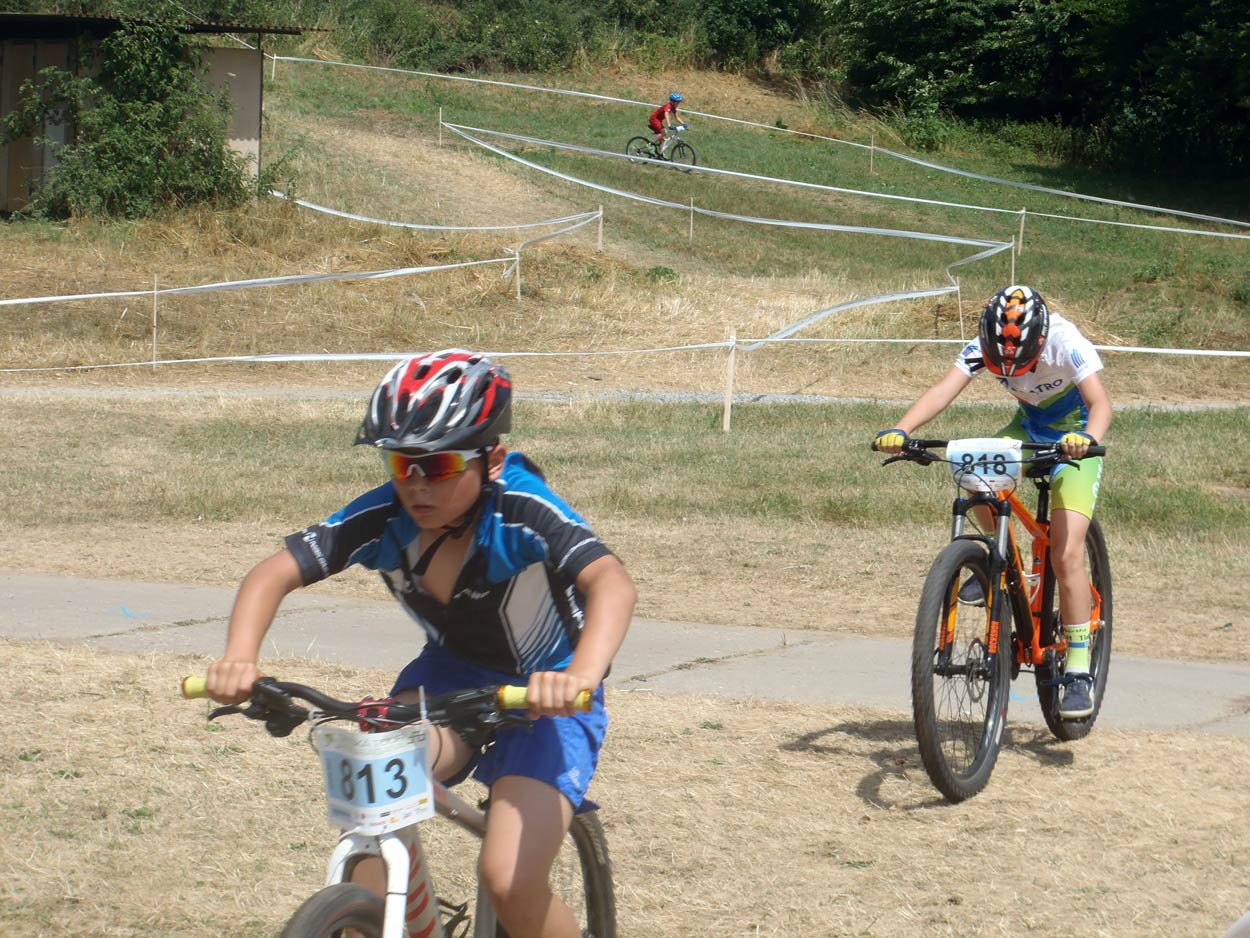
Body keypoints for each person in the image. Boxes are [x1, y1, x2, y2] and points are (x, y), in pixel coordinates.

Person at [206, 349, 637, 938]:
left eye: (438, 465)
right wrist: (239, 658)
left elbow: (611, 582)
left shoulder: (520, 509)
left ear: (492, 460)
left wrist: (580, 676)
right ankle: (374, 917)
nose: (416, 484)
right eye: (401, 464)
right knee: (377, 779)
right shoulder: (387, 517)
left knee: (508, 881)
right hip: (451, 674)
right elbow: (271, 574)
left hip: (550, 690)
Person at [874, 285, 1112, 719]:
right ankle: (1001, 563)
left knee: (1066, 554)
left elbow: (1100, 405)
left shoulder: (1066, 341)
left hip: (1075, 437)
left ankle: (1078, 669)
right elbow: (943, 390)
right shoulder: (985, 344)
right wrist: (901, 430)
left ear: (1041, 340)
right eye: (1002, 364)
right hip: (1029, 428)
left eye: (1022, 363)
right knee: (975, 469)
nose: (1011, 370)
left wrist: (1087, 439)